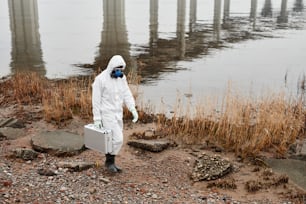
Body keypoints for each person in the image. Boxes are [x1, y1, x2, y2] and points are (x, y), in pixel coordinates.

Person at [92, 55, 138, 173]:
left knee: (111, 139)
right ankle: (109, 162)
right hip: (107, 114)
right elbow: (96, 101)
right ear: (111, 67)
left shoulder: (122, 79)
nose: (119, 72)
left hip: (118, 113)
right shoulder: (100, 80)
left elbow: (126, 93)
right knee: (118, 139)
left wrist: (132, 108)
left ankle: (111, 162)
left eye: (121, 70)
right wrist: (97, 118)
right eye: (117, 70)